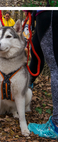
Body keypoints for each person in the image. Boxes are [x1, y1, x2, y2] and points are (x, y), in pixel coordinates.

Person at [27, 11, 58, 139]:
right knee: (36, 50)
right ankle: (27, 84)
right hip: (42, 14)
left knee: (56, 66)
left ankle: (55, 126)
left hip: (48, 13)